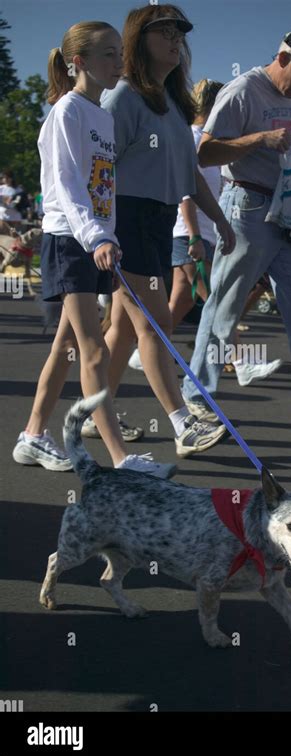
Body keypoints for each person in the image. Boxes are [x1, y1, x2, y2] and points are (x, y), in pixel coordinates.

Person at [13, 20, 175, 478]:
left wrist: (109, 235)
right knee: (94, 350)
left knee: (67, 345)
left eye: (119, 53)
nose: (118, 62)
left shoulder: (101, 114)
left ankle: (32, 435)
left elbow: (103, 186)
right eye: (107, 54)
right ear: (78, 61)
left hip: (95, 241)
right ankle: (122, 460)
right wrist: (96, 236)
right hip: (70, 240)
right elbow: (65, 185)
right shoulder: (67, 112)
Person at [93, 5, 235, 458]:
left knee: (122, 329)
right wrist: (100, 232)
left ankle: (97, 415)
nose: (175, 41)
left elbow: (190, 174)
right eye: (164, 33)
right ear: (139, 40)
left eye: (179, 34)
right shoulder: (122, 96)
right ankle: (181, 423)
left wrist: (222, 221)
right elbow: (98, 169)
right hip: (128, 220)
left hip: (158, 219)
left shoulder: (174, 105)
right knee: (153, 323)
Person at [181, 27, 291, 434]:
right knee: (225, 305)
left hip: (288, 207)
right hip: (246, 204)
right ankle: (197, 396)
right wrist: (260, 139)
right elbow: (205, 152)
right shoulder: (242, 90)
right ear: (283, 58)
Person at [129, 77, 282, 386]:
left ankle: (142, 352)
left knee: (183, 301)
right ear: (213, 106)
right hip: (188, 234)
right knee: (218, 299)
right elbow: (186, 191)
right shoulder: (193, 138)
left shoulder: (211, 141)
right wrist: (196, 235)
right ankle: (242, 362)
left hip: (203, 234)